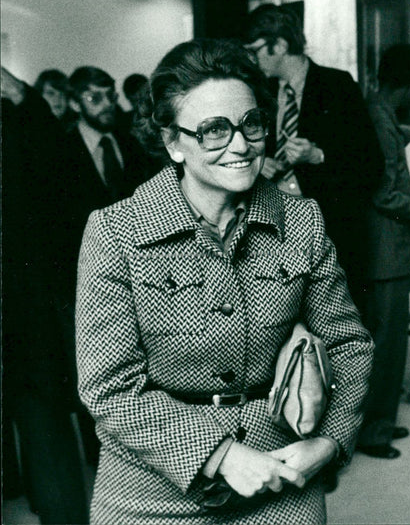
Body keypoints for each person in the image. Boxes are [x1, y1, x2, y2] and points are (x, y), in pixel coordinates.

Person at [75, 39, 373, 524]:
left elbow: (349, 345)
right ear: (173, 142)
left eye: (251, 124)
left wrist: (329, 440)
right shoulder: (116, 231)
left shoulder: (302, 221)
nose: (240, 145)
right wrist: (221, 455)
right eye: (214, 131)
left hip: (279, 477)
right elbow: (109, 387)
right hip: (149, 486)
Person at [243, 4, 383, 312]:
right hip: (275, 228)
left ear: (278, 45)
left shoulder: (337, 85)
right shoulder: (262, 93)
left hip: (330, 230)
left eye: (254, 51)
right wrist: (258, 160)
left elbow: (370, 163)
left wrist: (317, 155)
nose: (252, 60)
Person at [54, 66, 154, 467]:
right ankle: (107, 465)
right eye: (95, 98)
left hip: (140, 276)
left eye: (110, 95)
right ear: (76, 102)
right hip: (83, 283)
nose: (107, 105)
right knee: (100, 377)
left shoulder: (132, 143)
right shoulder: (58, 151)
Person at [2, 66, 90, 524]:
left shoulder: (19, 118)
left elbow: (67, 191)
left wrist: (22, 99)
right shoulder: (21, 116)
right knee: (42, 418)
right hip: (25, 306)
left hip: (24, 308)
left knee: (42, 418)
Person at [356, 44, 410, 459]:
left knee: (387, 344)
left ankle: (379, 420)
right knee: (385, 347)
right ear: (408, 85)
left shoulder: (377, 112)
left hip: (386, 248)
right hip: (385, 249)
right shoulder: (380, 120)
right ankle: (373, 430)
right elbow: (385, 192)